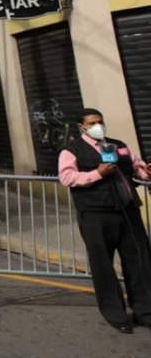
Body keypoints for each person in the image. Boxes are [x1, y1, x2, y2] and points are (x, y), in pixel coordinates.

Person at [58, 108, 151, 334]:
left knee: (140, 261)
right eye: (92, 123)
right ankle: (115, 314)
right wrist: (97, 173)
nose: (98, 126)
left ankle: (145, 311)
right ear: (82, 127)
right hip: (96, 213)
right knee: (103, 265)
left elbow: (136, 167)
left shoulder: (119, 145)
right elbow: (67, 177)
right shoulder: (71, 150)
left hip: (127, 211)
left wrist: (145, 172)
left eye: (100, 121)